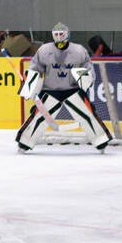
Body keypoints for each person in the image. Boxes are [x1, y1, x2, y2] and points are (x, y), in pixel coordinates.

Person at [16, 23, 109, 152]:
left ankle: (101, 141)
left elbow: (88, 69)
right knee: (38, 117)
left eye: (61, 34)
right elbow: (35, 69)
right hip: (50, 90)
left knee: (88, 114)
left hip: (73, 89)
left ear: (67, 34)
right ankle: (24, 143)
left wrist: (87, 79)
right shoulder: (44, 50)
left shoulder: (79, 51)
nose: (59, 37)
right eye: (56, 34)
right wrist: (29, 83)